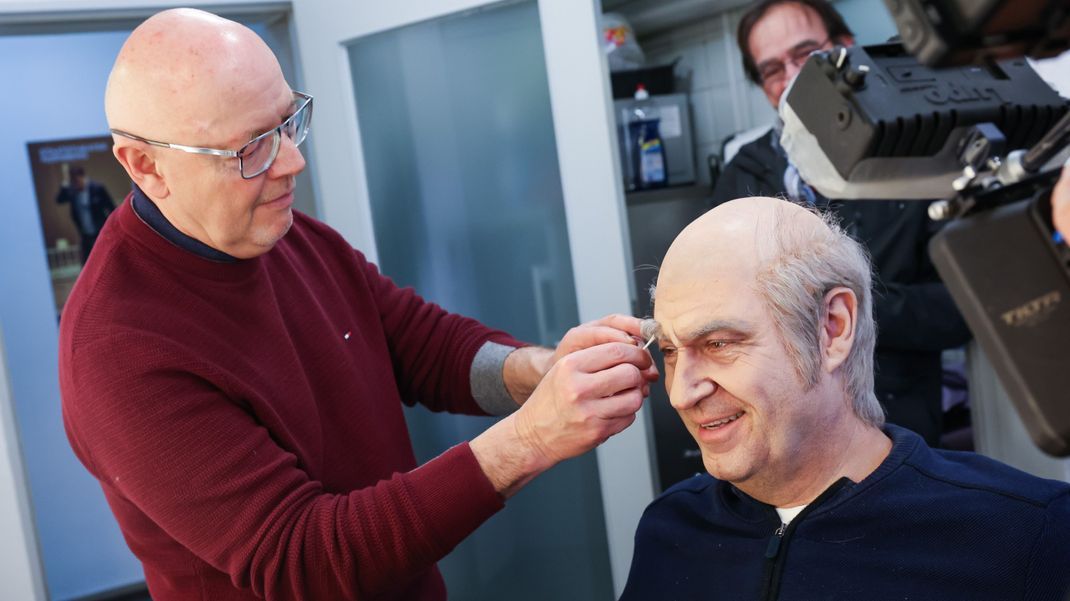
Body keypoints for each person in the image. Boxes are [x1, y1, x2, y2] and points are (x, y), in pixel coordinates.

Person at [58, 9, 657, 601]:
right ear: (145, 166)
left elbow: (424, 348)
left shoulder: (282, 233)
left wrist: (542, 370)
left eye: (288, 121)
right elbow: (306, 561)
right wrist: (533, 437)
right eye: (251, 149)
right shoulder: (118, 352)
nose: (292, 161)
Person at [620, 197, 1070, 600]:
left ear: (832, 328)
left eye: (718, 343)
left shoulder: (1026, 533)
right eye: (671, 351)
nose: (680, 394)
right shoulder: (671, 529)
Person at [711, 0, 971, 447]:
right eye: (772, 69)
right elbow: (723, 311)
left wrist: (844, 307)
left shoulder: (918, 158)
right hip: (780, 434)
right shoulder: (745, 177)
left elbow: (962, 307)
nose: (793, 76)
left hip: (898, 430)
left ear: (846, 48)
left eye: (806, 54)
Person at [55, 164, 115, 263]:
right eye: (72, 182)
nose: (75, 184)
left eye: (76, 181)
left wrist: (112, 229)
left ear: (81, 177)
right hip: (84, 234)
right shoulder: (72, 191)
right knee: (86, 264)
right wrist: (65, 182)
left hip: (101, 231)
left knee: (107, 259)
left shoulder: (97, 188)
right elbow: (59, 200)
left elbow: (111, 208)